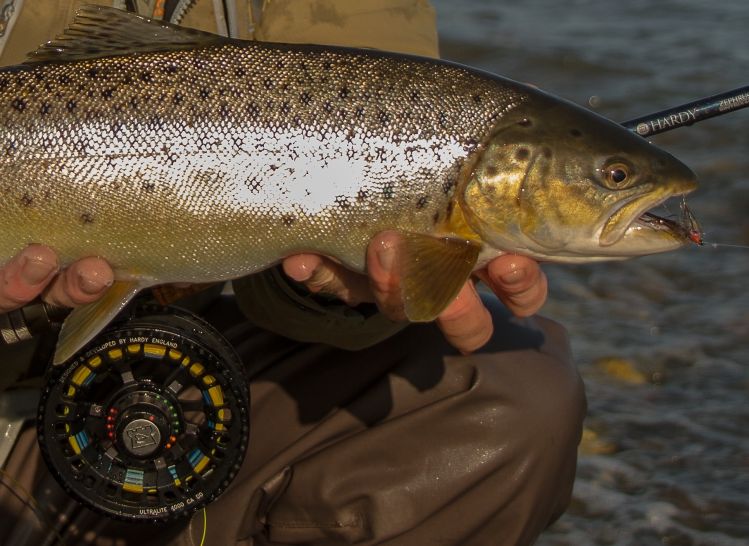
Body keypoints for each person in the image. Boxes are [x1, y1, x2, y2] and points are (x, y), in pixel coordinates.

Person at [0, 2, 586, 545]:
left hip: (164, 398)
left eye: (611, 178)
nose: (614, 192)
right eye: (612, 178)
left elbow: (297, 227)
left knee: (512, 386)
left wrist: (340, 288)